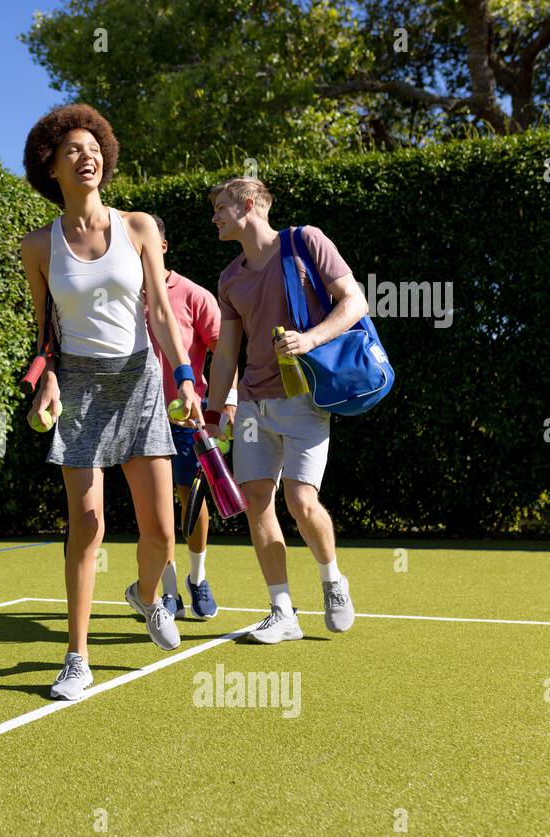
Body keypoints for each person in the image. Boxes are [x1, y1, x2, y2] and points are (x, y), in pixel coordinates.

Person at [21, 104, 203, 700]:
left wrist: (183, 378)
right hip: (77, 387)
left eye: (93, 145)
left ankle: (147, 597)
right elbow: (43, 331)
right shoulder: (38, 247)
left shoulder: (139, 226)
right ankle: (76, 657)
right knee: (88, 524)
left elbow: (159, 310)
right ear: (50, 167)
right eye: (72, 149)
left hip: (142, 382)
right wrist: (44, 378)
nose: (87, 155)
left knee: (161, 534)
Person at [203, 178, 363, 643]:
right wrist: (217, 415)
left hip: (304, 397)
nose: (214, 217)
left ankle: (333, 581)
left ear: (248, 204)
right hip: (253, 404)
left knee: (301, 500)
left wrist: (309, 339)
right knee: (257, 502)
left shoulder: (306, 241)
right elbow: (227, 355)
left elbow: (355, 302)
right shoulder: (229, 278)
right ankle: (282, 611)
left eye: (220, 207)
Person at [142, 213, 237, 621]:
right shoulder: (123, 297)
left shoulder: (195, 295)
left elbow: (226, 351)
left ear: (161, 246)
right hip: (139, 421)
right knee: (155, 508)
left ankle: (197, 580)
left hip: (187, 420)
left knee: (191, 501)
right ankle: (167, 593)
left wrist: (226, 404)